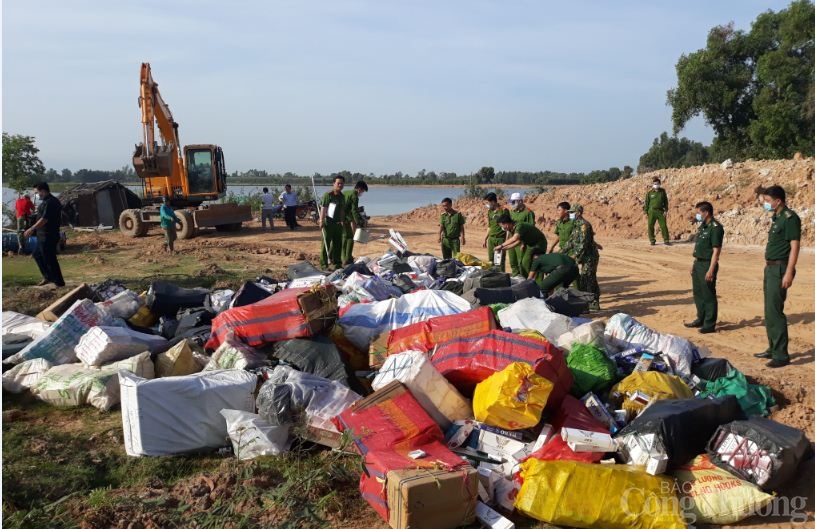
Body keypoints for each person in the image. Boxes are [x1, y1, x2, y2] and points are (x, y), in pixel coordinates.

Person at [754, 185, 800, 369]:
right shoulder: (777, 217)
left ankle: (781, 355)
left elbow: (795, 246)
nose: (765, 204)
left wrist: (789, 271)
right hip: (770, 268)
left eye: (767, 201)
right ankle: (773, 348)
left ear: (778, 201)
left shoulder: (790, 218)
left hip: (780, 268)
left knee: (776, 312)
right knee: (769, 311)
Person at [684, 201, 724, 334]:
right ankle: (700, 318)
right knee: (698, 293)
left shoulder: (715, 227)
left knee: (708, 294)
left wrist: (711, 269)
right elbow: (700, 247)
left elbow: (716, 250)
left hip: (707, 264)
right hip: (698, 263)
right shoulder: (703, 226)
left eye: (699, 212)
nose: (697, 215)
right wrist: (693, 265)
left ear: (706, 212)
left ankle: (709, 323)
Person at [23, 182, 65, 287]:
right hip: (42, 235)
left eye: (37, 192)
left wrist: (32, 228)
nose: (36, 195)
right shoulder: (45, 202)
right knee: (37, 254)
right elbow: (41, 215)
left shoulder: (51, 202)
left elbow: (44, 219)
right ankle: (48, 277)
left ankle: (59, 283)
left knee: (50, 259)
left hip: (49, 235)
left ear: (43, 191)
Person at [561, 204, 601, 311]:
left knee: (587, 279)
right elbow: (571, 242)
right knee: (588, 279)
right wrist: (561, 252)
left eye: (572, 212)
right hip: (583, 256)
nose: (570, 214)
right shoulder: (576, 225)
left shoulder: (584, 225)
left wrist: (574, 256)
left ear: (578, 213)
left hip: (590, 257)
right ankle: (592, 302)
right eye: (569, 212)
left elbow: (583, 244)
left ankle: (592, 303)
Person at [495, 213, 547, 278]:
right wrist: (503, 248)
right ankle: (526, 280)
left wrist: (501, 245)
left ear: (506, 224)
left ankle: (536, 282)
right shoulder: (512, 228)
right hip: (530, 244)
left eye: (502, 225)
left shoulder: (519, 226)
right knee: (523, 263)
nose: (502, 228)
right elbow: (518, 242)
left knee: (531, 262)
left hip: (538, 244)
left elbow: (514, 238)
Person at [319, 175, 347, 270]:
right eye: (338, 183)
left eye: (342, 183)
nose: (340, 185)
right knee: (325, 244)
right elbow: (324, 208)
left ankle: (337, 263)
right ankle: (324, 264)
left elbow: (342, 210)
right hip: (328, 223)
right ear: (333, 184)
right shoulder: (328, 195)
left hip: (338, 224)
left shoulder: (342, 197)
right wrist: (321, 220)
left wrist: (342, 221)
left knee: (337, 244)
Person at [507, 192, 535, 276]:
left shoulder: (528, 213)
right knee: (513, 261)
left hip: (521, 242)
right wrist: (507, 240)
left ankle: (524, 280)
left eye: (513, 202)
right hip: (512, 239)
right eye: (511, 202)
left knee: (521, 263)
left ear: (519, 201)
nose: (511, 204)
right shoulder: (512, 212)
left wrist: (524, 242)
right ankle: (515, 278)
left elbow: (531, 229)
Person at [342, 180, 369, 266]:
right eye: (363, 191)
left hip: (340, 218)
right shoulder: (354, 196)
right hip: (347, 219)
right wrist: (359, 222)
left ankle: (343, 257)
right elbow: (354, 211)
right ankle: (347, 258)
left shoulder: (345, 192)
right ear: (359, 189)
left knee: (343, 238)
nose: (362, 193)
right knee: (350, 238)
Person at [483, 192, 509, 270]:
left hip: (500, 239)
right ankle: (493, 278)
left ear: (493, 202)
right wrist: (485, 239)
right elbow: (490, 226)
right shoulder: (490, 212)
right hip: (491, 239)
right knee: (491, 261)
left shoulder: (503, 211)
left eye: (487, 203)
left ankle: (501, 278)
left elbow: (508, 227)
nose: (487, 205)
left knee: (499, 262)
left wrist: (506, 241)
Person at [644, 176, 670, 246]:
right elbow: (646, 203)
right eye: (654, 184)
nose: (656, 185)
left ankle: (666, 240)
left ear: (660, 184)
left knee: (663, 226)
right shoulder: (649, 193)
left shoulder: (662, 191)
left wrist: (666, 210)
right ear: (652, 184)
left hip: (661, 211)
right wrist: (646, 212)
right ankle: (652, 240)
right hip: (652, 211)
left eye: (657, 183)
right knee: (650, 226)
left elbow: (666, 201)